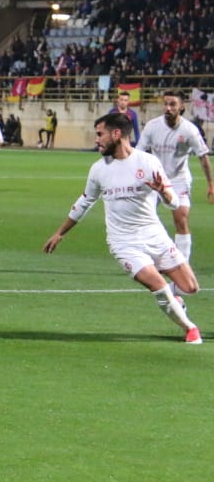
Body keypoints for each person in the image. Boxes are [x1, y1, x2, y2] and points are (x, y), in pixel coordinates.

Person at [44, 112, 202, 345]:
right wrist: (60, 232)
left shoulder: (148, 162)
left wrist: (163, 192)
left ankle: (175, 303)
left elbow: (174, 203)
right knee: (157, 285)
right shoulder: (99, 169)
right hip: (123, 242)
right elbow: (84, 202)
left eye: (100, 134)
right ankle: (190, 329)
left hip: (154, 235)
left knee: (190, 288)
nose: (97, 140)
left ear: (116, 134)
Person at [135, 90, 214, 264]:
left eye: (172, 104)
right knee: (144, 219)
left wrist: (211, 184)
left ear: (181, 107)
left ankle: (182, 263)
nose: (168, 108)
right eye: (166, 104)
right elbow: (139, 154)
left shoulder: (190, 130)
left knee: (181, 219)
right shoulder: (152, 126)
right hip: (154, 180)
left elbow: (203, 157)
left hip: (178, 180)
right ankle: (146, 258)